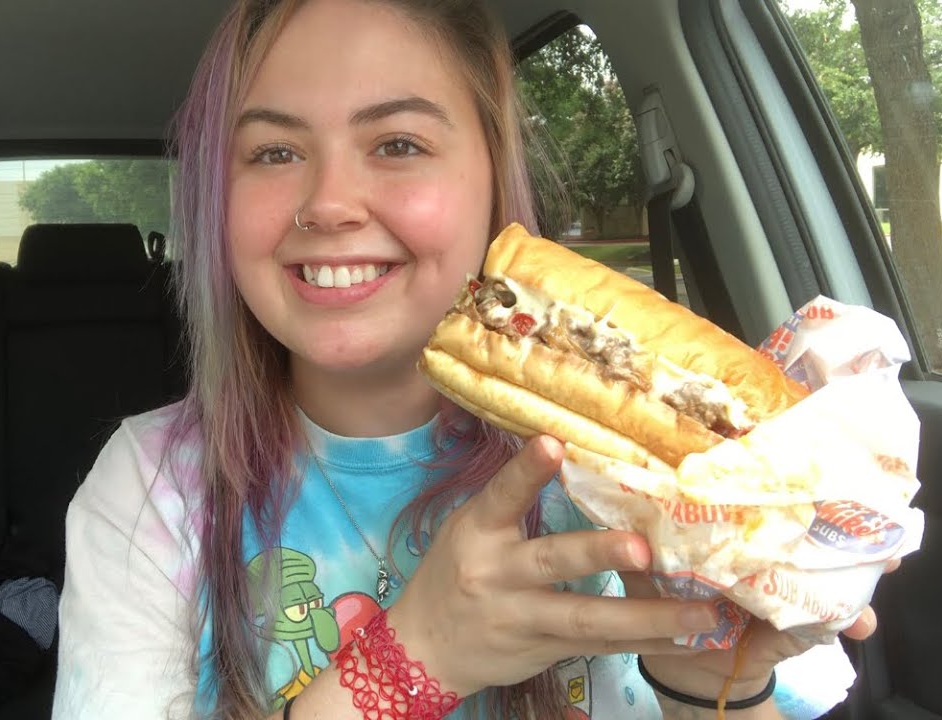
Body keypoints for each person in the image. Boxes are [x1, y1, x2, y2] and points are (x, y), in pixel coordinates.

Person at [52, 1, 880, 717]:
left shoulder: (692, 475)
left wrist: (705, 683)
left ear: (494, 180)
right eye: (273, 152)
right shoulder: (151, 489)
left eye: (399, 144)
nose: (331, 203)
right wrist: (409, 662)